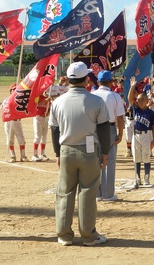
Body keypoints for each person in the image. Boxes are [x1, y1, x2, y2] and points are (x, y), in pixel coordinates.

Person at [49, 61, 111, 246]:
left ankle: (64, 234)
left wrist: (58, 154)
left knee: (65, 192)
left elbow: (54, 130)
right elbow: (103, 129)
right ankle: (88, 235)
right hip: (89, 150)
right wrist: (105, 153)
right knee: (88, 191)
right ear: (86, 79)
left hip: (66, 149)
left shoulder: (58, 102)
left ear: (68, 80)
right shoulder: (95, 101)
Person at [93, 70, 125, 201]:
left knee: (95, 159)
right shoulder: (115, 96)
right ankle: (108, 193)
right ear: (111, 82)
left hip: (94, 129)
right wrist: (120, 134)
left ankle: (97, 193)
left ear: (98, 82)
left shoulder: (92, 95)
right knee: (110, 160)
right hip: (109, 128)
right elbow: (120, 117)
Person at [128, 76, 154, 187]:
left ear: (147, 101)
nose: (139, 102)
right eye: (138, 100)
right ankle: (137, 177)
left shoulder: (149, 112)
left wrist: (153, 140)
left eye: (142, 100)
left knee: (146, 156)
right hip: (136, 135)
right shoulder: (136, 109)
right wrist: (132, 87)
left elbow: (153, 126)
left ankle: (147, 177)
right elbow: (130, 99)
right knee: (136, 157)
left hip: (146, 135)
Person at [1, 83, 29, 163]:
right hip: (9, 122)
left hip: (17, 122)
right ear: (10, 91)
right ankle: (12, 156)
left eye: (16, 89)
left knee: (21, 139)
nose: (15, 91)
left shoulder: (20, 100)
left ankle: (23, 156)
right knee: (10, 139)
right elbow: (3, 111)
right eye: (13, 89)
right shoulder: (6, 100)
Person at [32, 92, 51, 162]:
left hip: (45, 118)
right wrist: (45, 100)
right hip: (38, 117)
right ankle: (34, 154)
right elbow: (37, 105)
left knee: (44, 136)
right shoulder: (38, 98)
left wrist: (48, 112)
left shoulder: (47, 98)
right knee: (38, 136)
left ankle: (42, 153)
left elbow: (49, 108)